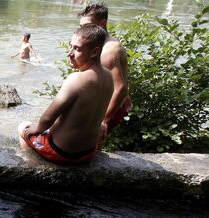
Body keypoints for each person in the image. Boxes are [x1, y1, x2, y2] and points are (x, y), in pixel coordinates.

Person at [17, 24, 113, 165]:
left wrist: (31, 130)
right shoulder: (108, 76)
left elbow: (47, 119)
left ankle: (31, 166)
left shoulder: (76, 79)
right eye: (71, 46)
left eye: (77, 48)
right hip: (88, 152)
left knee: (23, 127)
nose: (70, 53)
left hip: (62, 153)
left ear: (95, 52)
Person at [79, 2, 132, 138]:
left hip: (109, 110)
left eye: (87, 26)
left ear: (102, 24)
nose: (83, 31)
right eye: (81, 27)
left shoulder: (110, 50)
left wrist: (104, 120)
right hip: (105, 105)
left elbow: (121, 88)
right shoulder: (102, 43)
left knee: (89, 143)